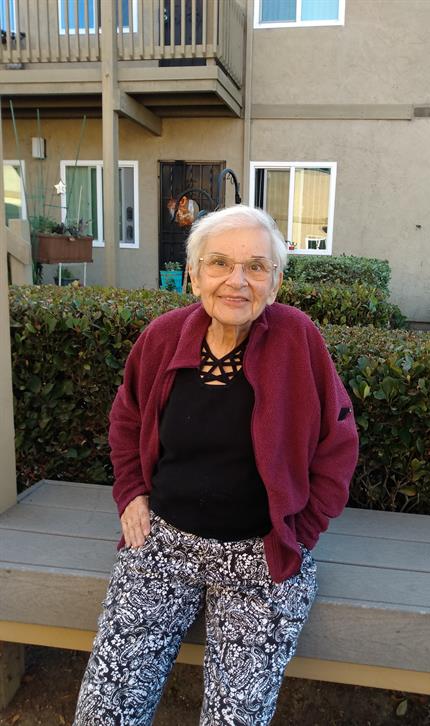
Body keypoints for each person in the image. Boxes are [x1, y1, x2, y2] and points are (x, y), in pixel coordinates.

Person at [74, 205, 359, 726]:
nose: (237, 281)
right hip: (164, 548)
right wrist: (132, 493)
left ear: (275, 282)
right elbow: (126, 418)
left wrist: (303, 527)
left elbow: (338, 441)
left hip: (261, 557)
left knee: (235, 718)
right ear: (194, 275)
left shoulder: (297, 338)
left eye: (256, 266)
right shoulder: (162, 337)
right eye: (220, 263)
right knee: (105, 710)